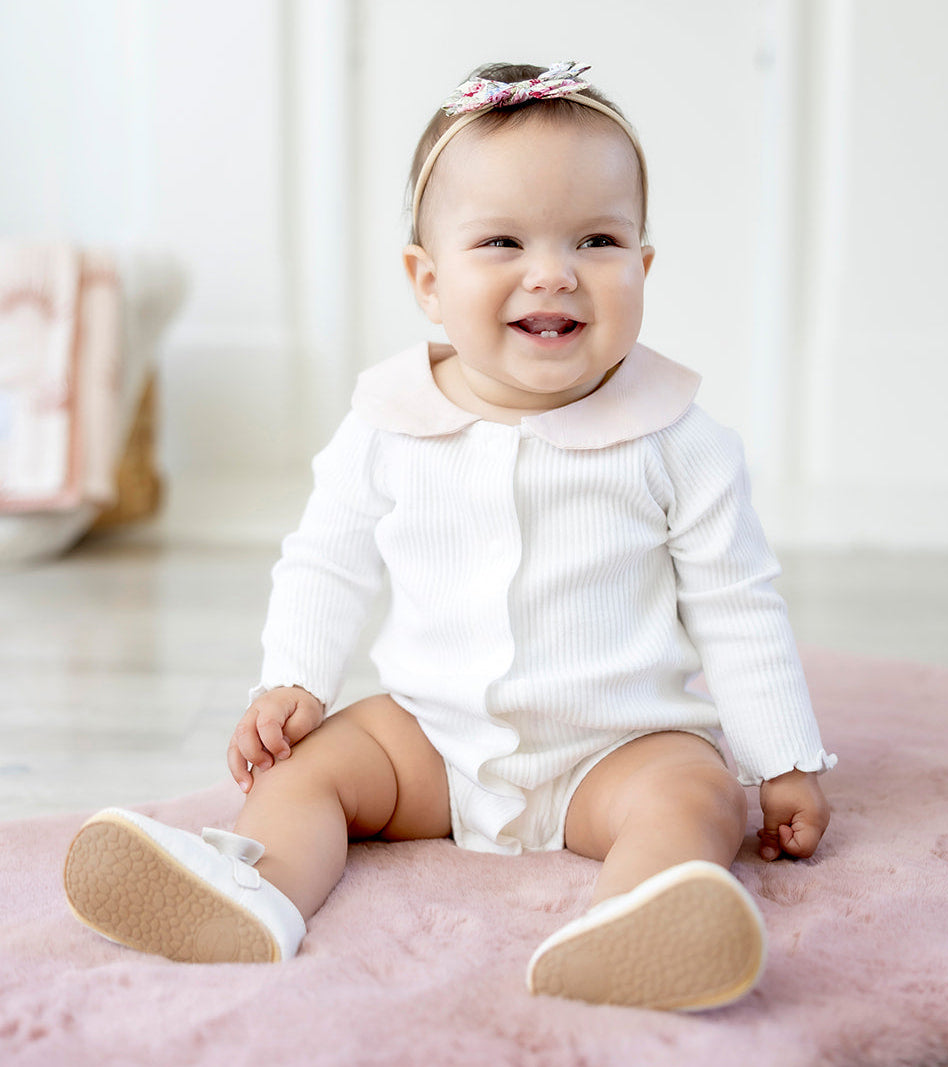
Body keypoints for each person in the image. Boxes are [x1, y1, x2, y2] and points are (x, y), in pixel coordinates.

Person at [64, 61, 836, 1012]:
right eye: (502, 240)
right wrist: (293, 679)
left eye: (596, 239)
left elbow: (736, 601)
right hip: (429, 738)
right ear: (428, 281)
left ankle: (643, 916)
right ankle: (252, 888)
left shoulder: (678, 437)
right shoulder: (388, 421)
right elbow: (325, 556)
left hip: (618, 745)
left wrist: (783, 758)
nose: (551, 270)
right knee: (312, 773)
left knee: (697, 796)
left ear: (642, 267)